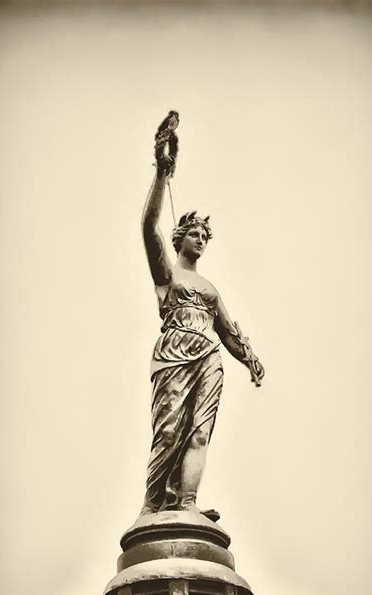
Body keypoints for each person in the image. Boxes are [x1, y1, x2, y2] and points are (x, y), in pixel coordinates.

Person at [140, 112, 264, 517]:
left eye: (206, 237)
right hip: (175, 353)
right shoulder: (167, 273)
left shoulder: (210, 289)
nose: (202, 241)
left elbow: (228, 331)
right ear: (180, 238)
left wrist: (250, 359)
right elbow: (147, 225)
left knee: (199, 433)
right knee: (169, 429)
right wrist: (162, 172)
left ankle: (188, 504)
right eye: (196, 234)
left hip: (209, 355)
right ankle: (153, 506)